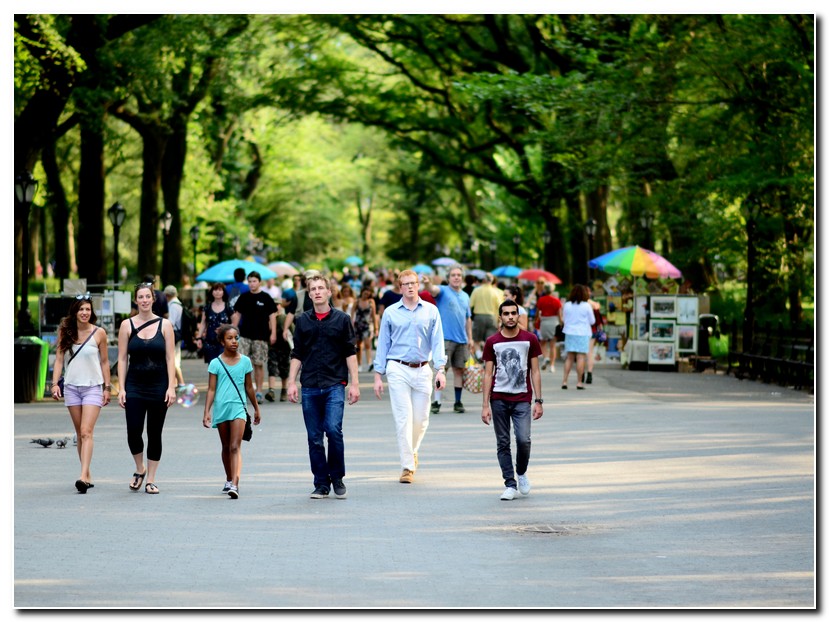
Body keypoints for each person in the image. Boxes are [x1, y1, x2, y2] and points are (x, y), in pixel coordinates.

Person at [288, 273, 360, 499]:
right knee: (314, 437)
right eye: (313, 289)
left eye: (321, 288)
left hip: (334, 384)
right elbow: (297, 353)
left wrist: (355, 384)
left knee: (333, 429)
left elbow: (350, 353)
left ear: (329, 292)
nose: (317, 292)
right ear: (309, 294)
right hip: (309, 385)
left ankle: (336, 476)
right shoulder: (302, 321)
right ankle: (321, 483)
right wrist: (291, 382)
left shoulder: (342, 320)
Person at [373, 269, 447, 484]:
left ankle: (412, 451)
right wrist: (379, 375)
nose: (410, 287)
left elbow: (438, 341)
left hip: (423, 368)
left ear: (419, 285)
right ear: (400, 287)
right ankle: (407, 466)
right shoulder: (391, 312)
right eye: (405, 284)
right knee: (403, 418)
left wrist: (440, 369)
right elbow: (383, 344)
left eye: (413, 283)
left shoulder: (431, 311)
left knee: (421, 419)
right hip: (398, 368)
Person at [117, 282, 177, 494]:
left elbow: (171, 358)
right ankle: (139, 468)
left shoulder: (165, 325)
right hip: (134, 384)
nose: (144, 300)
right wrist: (121, 388)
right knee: (133, 430)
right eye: (140, 297)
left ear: (153, 299)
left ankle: (151, 479)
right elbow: (122, 359)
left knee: (154, 432)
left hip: (159, 384)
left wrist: (171, 386)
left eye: (147, 296)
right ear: (136, 300)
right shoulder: (126, 325)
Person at [481, 299, 544, 501]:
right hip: (498, 398)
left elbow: (535, 370)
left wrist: (539, 400)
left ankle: (522, 472)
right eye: (506, 314)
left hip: (522, 399)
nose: (510, 317)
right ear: (500, 317)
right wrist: (485, 406)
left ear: (518, 315)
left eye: (513, 313)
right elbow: (488, 374)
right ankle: (510, 483)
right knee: (503, 442)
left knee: (524, 439)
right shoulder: (492, 342)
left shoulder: (530, 339)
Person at [50, 296, 111, 493]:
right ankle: (87, 473)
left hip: (93, 387)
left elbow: (104, 362)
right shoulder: (66, 331)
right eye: (81, 309)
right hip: (71, 387)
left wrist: (107, 387)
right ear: (75, 312)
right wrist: (54, 384)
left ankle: (82, 476)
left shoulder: (99, 333)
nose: (84, 313)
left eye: (87, 309)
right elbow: (59, 359)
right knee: (79, 433)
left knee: (86, 431)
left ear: (91, 312)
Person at [202, 324, 261, 499]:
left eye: (236, 338)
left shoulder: (245, 361)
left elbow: (249, 387)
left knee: (235, 446)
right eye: (229, 338)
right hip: (221, 409)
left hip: (238, 408)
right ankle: (228, 478)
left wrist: (256, 408)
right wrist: (207, 411)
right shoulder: (215, 363)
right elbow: (211, 389)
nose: (234, 341)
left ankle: (235, 483)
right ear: (222, 341)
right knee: (226, 446)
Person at [423, 265, 473, 414]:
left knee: (459, 371)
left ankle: (458, 402)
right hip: (444, 339)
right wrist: (427, 283)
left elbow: (468, 318)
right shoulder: (443, 291)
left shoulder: (465, 296)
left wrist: (470, 338)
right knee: (441, 370)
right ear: (448, 278)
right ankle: (436, 402)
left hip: (462, 340)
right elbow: (432, 290)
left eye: (459, 275)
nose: (456, 277)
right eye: (453, 275)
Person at [232, 271, 277, 404]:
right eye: (250, 281)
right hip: (244, 336)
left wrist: (273, 332)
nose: (252, 284)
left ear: (259, 282)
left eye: (254, 281)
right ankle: (244, 391)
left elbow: (272, 316)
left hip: (261, 336)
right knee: (242, 365)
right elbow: (237, 315)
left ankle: (258, 392)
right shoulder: (244, 297)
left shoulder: (266, 297)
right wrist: (232, 332)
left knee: (258, 364)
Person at [560, 284, 596, 390]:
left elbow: (564, 319)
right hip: (583, 333)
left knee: (569, 358)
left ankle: (564, 381)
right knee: (580, 357)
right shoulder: (586, 306)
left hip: (570, 332)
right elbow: (592, 321)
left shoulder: (567, 305)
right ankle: (579, 382)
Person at [196, 282, 235, 365]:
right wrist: (199, 338)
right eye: (215, 289)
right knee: (212, 368)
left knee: (225, 367)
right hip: (210, 342)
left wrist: (226, 327)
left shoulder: (228, 306)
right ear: (212, 292)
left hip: (225, 342)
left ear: (223, 292)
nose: (217, 292)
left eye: (220, 290)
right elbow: (203, 323)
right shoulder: (207, 307)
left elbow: (235, 324)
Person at [468, 273, 504, 358]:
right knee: (489, 340)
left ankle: (479, 354)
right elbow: (500, 306)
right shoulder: (495, 291)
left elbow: (470, 304)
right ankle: (486, 357)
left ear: (483, 280)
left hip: (479, 317)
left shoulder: (477, 290)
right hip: (492, 318)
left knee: (476, 339)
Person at [535, 283, 562, 373]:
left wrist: (536, 321)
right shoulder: (556, 300)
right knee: (552, 345)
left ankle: (546, 357)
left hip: (544, 322)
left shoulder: (541, 300)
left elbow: (538, 312)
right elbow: (559, 314)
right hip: (554, 322)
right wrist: (561, 323)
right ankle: (552, 366)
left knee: (542, 342)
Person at [164, 285, 186, 388]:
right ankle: (176, 382)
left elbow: (171, 322)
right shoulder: (179, 304)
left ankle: (181, 382)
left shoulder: (173, 306)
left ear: (167, 295)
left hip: (173, 334)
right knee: (175, 358)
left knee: (172, 359)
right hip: (179, 334)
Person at [351, 286, 377, 372]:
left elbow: (373, 315)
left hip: (367, 325)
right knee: (359, 345)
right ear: (362, 292)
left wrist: (376, 327)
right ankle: (359, 364)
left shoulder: (371, 302)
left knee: (367, 344)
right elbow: (352, 314)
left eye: (368, 293)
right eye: (365, 293)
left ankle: (369, 363)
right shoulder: (357, 301)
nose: (366, 295)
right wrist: (351, 325)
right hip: (358, 325)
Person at [585, 294, 605, 385]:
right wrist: (601, 331)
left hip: (580, 331)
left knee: (581, 354)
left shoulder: (577, 304)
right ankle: (589, 373)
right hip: (592, 331)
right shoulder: (594, 305)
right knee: (590, 353)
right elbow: (598, 321)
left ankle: (581, 374)